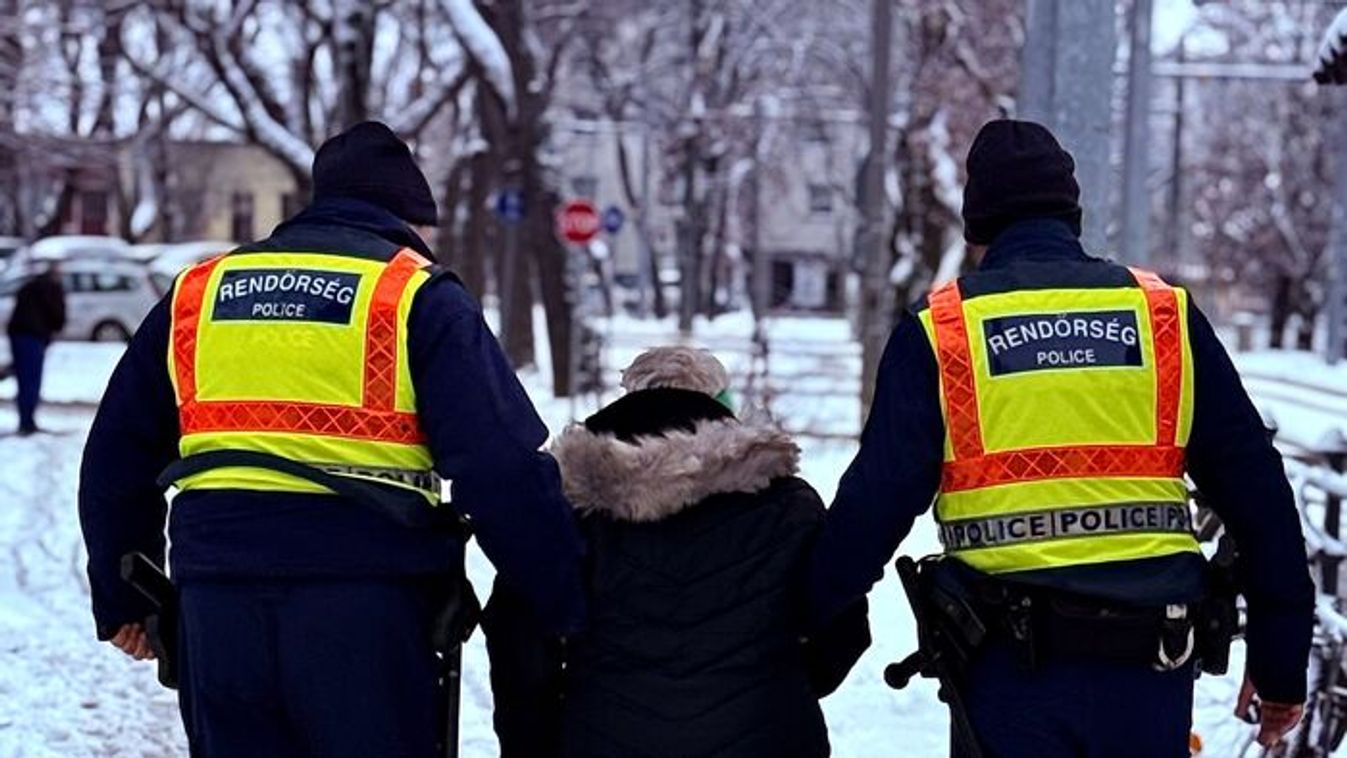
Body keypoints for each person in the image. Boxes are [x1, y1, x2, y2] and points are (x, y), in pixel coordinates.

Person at [78, 121, 586, 757]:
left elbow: (115, 456)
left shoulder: (197, 294)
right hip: (366, 611)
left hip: (218, 604)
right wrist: (564, 602)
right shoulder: (414, 296)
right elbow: (502, 470)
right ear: (410, 221)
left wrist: (124, 594)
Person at [808, 119, 1315, 755]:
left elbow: (869, 512)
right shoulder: (1164, 320)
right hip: (1151, 673)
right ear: (1072, 211)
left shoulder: (944, 333)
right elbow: (1260, 497)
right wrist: (1281, 663)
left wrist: (800, 634)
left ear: (977, 222)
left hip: (1007, 680)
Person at [485, 347, 870, 758]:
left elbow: (518, 641)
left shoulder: (569, 507)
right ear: (719, 402)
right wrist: (775, 688)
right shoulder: (790, 506)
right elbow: (843, 629)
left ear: (629, 398)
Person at [7, 261, 65, 435]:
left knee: (25, 378)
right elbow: (57, 315)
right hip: (32, 336)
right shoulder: (51, 290)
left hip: (20, 334)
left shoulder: (31, 287)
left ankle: (26, 419)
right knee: (30, 379)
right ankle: (27, 422)